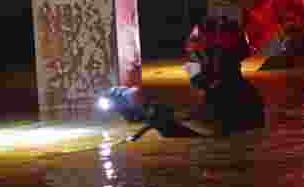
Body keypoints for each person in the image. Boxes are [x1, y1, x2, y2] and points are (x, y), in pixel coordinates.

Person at [101, 14, 264, 139]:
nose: (188, 67)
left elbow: (203, 133)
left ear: (216, 58)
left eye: (195, 59)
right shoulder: (243, 94)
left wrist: (153, 115)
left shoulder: (225, 101)